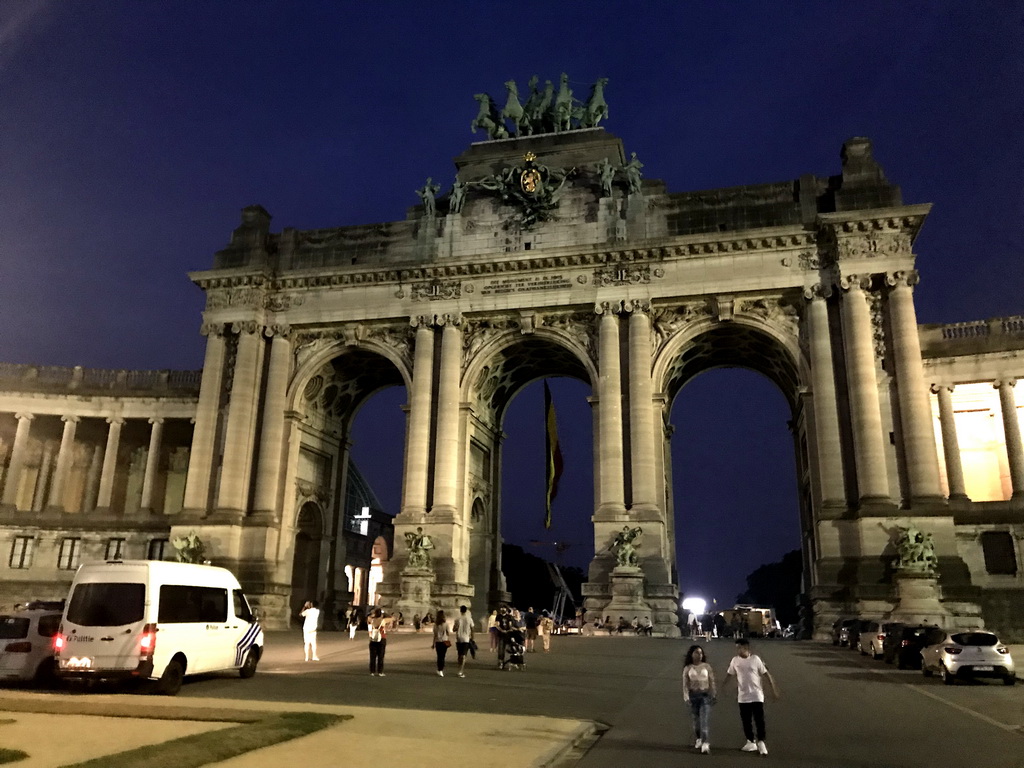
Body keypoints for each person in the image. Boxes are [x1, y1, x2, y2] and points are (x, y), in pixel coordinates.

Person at [722, 638, 780, 755]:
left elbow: (766, 675)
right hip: (743, 696)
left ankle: (761, 742)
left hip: (756, 694)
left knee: (759, 719)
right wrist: (724, 686)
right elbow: (730, 674)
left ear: (746, 648)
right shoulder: (735, 660)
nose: (737, 650)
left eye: (740, 647)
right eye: (736, 648)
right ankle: (750, 741)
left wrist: (773, 690)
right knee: (746, 720)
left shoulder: (755, 659)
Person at [683, 644, 717, 754]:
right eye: (697, 653)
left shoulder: (706, 667)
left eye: (701, 653)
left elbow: (712, 680)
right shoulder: (688, 668)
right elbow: (685, 684)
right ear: (691, 654)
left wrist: (714, 693)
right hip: (693, 696)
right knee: (696, 722)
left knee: (704, 720)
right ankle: (699, 738)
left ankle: (705, 743)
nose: (699, 655)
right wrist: (686, 696)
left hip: (705, 695)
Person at [367, 607, 394, 677]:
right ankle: (380, 671)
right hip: (381, 639)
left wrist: (373, 615)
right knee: (380, 656)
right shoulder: (383, 621)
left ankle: (372, 671)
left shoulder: (371, 620)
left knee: (372, 656)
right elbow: (392, 618)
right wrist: (384, 613)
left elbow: (368, 617)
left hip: (373, 639)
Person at [453, 604, 474, 677]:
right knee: (464, 655)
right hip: (466, 638)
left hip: (458, 638)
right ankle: (461, 671)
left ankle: (458, 669)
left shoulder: (457, 619)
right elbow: (472, 629)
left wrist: (457, 628)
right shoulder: (469, 619)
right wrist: (472, 638)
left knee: (459, 655)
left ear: (460, 610)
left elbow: (454, 629)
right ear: (466, 610)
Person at [495, 605, 516, 669]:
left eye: (504, 608)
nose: (503, 609)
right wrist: (502, 630)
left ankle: (513, 662)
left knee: (511, 649)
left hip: (508, 635)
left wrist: (508, 630)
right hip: (501, 635)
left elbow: (510, 625)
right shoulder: (498, 616)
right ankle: (500, 662)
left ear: (506, 609)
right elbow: (497, 625)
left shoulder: (509, 616)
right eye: (502, 608)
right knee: (501, 649)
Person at [431, 608, 451, 677]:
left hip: (438, 642)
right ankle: (441, 669)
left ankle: (439, 669)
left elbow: (435, 635)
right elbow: (448, 633)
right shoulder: (446, 624)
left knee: (439, 656)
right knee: (443, 656)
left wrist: (433, 644)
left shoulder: (435, 625)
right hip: (444, 641)